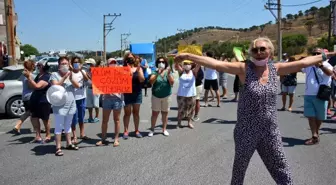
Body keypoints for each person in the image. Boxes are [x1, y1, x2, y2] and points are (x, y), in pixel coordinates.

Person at [174, 37, 336, 185]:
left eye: (262, 49)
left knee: (282, 169)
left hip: (270, 130)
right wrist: (190, 56)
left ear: (270, 52)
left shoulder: (276, 69)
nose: (258, 53)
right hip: (246, 130)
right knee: (239, 171)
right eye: (255, 50)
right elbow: (215, 64)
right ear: (251, 53)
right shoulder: (244, 69)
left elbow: (303, 63)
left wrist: (330, 54)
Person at [302, 48, 333, 145]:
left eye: (318, 53)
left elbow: (330, 73)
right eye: (314, 53)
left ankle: (316, 133)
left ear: (322, 55)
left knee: (319, 117)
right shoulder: (308, 66)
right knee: (311, 116)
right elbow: (299, 67)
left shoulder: (327, 65)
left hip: (321, 94)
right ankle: (314, 134)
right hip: (308, 94)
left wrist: (320, 66)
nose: (316, 54)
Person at [50, 56, 79, 156]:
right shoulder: (54, 75)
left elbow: (77, 86)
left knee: (68, 124)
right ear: (58, 65)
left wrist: (70, 78)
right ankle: (58, 147)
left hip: (71, 103)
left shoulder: (70, 74)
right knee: (59, 126)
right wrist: (64, 77)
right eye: (62, 63)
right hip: (59, 105)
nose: (64, 65)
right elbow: (55, 86)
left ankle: (69, 143)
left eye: (66, 63)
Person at [96, 58, 124, 147]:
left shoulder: (121, 72)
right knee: (105, 120)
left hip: (117, 99)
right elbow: (99, 85)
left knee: (117, 120)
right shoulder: (103, 73)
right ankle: (103, 139)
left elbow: (125, 84)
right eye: (110, 63)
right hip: (106, 99)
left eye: (114, 62)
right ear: (107, 64)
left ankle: (116, 139)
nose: (112, 64)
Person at [24, 60, 52, 143]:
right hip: (35, 99)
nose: (38, 67)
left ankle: (48, 135)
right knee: (34, 118)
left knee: (45, 119)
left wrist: (29, 77)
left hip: (43, 100)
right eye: (38, 65)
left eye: (40, 65)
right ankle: (38, 136)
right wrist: (27, 78)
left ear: (44, 66)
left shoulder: (47, 76)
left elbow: (37, 86)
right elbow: (31, 86)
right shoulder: (39, 75)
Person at [148, 57, 174, 137]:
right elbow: (151, 81)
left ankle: (164, 129)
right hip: (156, 96)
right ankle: (152, 129)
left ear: (165, 63)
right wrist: (157, 73)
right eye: (159, 61)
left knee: (165, 113)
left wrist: (169, 74)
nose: (161, 63)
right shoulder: (154, 71)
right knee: (155, 113)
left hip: (166, 96)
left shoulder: (168, 71)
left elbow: (172, 83)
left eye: (163, 62)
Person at [123, 53, 145, 139]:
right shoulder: (123, 69)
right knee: (127, 113)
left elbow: (142, 80)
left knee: (136, 113)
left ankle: (137, 130)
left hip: (137, 93)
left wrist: (139, 70)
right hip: (127, 94)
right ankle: (126, 131)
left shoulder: (138, 68)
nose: (130, 59)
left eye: (132, 58)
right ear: (126, 60)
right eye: (128, 58)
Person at [175, 60, 200, 129]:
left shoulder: (194, 72)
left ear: (191, 65)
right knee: (180, 109)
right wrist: (177, 59)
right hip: (181, 94)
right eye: (185, 64)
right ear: (183, 65)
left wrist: (199, 58)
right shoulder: (181, 72)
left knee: (191, 109)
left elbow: (198, 65)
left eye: (189, 64)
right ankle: (179, 123)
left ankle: (189, 123)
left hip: (191, 94)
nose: (187, 65)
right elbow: (176, 65)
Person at [70, 57, 89, 144]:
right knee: (74, 118)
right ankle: (74, 136)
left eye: (77, 62)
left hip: (82, 97)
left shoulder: (83, 72)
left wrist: (81, 70)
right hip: (72, 98)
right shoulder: (70, 73)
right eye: (74, 62)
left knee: (81, 116)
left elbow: (87, 80)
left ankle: (82, 133)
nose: (76, 64)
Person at [13, 60, 35, 134]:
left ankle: (35, 128)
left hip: (24, 96)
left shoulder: (23, 74)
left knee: (31, 113)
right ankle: (18, 125)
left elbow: (19, 79)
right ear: (32, 66)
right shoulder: (30, 75)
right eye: (33, 65)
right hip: (30, 96)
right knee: (29, 113)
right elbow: (31, 86)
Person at [84, 58, 100, 123]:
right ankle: (90, 117)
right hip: (89, 88)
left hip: (96, 89)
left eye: (89, 64)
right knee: (89, 104)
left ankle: (96, 117)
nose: (87, 65)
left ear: (92, 64)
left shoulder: (97, 70)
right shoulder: (86, 71)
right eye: (87, 64)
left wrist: (88, 76)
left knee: (96, 104)